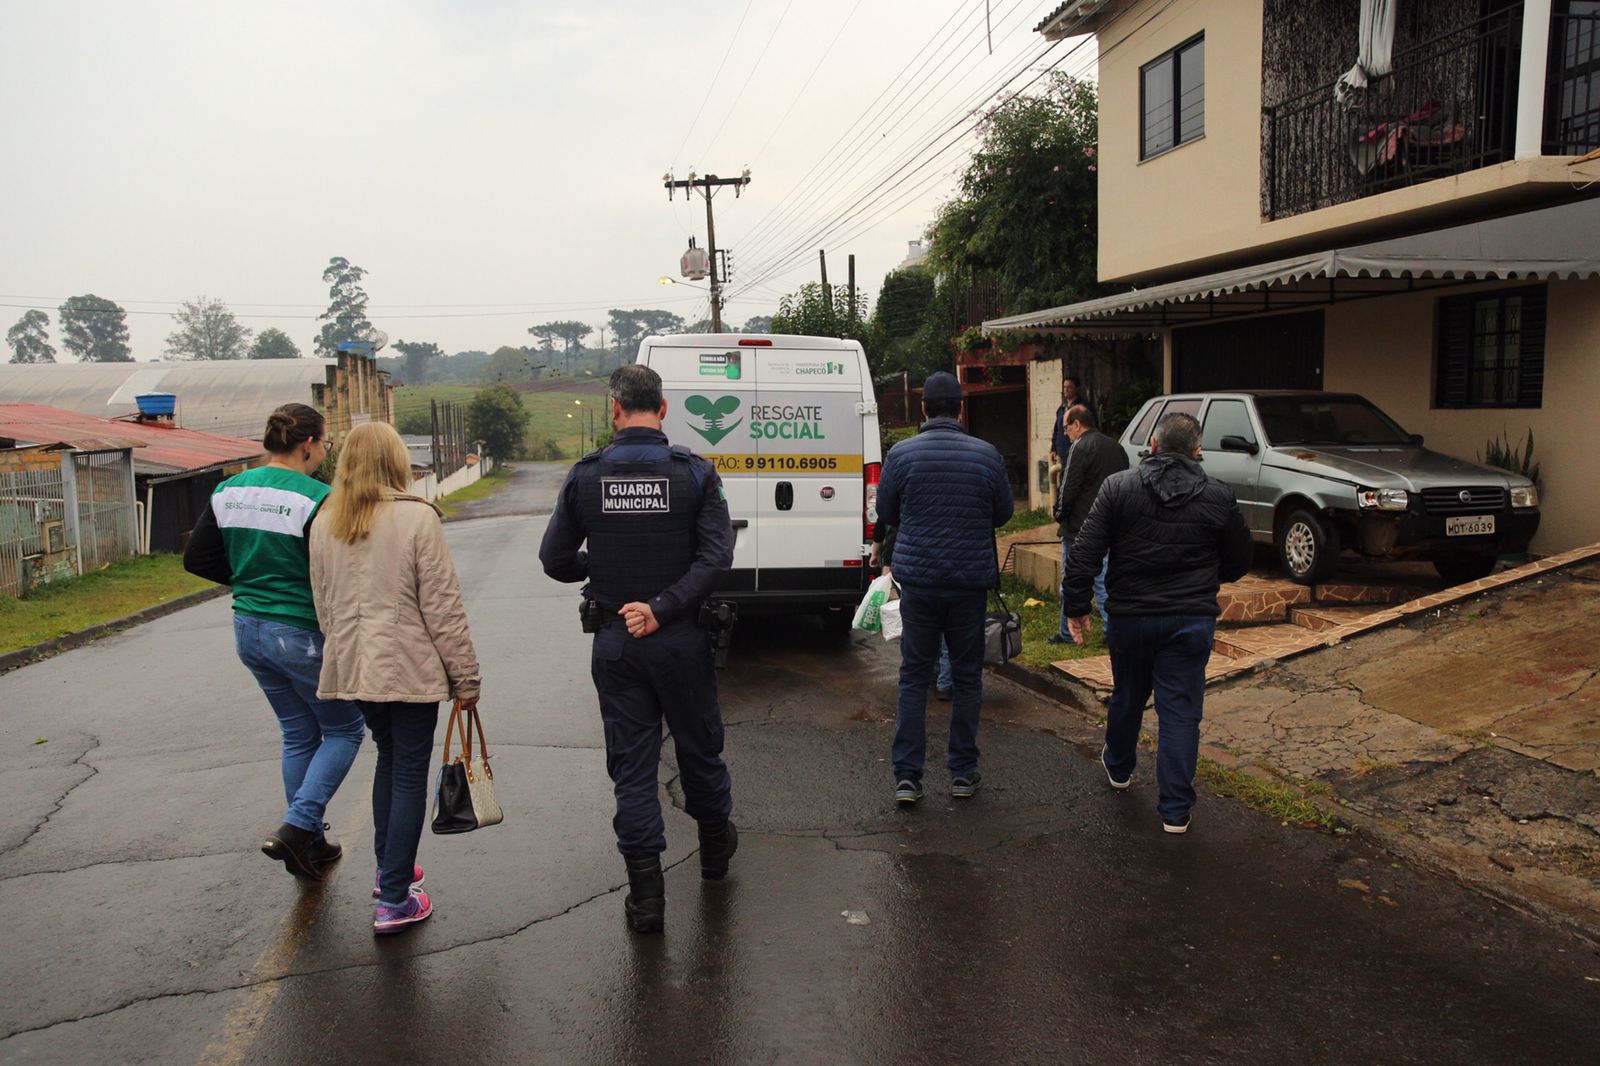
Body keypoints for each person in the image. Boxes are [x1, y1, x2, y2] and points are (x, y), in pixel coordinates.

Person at [538, 363, 737, 935]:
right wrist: (664, 606)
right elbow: (716, 557)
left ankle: (647, 900)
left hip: (617, 641)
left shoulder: (586, 475)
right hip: (682, 640)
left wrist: (596, 565)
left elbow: (554, 560)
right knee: (699, 749)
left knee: (632, 767)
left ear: (614, 409)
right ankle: (715, 856)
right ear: (664, 409)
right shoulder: (695, 473)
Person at [309, 421, 481, 934]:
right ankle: (395, 898)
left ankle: (390, 873)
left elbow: (323, 604)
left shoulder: (326, 520)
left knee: (390, 759)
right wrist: (466, 678)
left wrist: (345, 651)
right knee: (407, 772)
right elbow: (443, 607)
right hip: (408, 667)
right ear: (397, 461)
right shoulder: (416, 517)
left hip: (354, 666)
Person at [184, 403, 363, 883]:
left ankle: (311, 843)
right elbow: (337, 572)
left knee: (299, 733)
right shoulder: (319, 498)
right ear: (309, 444)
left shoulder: (229, 489)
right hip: (300, 633)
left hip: (249, 628)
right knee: (345, 729)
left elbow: (196, 558)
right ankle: (299, 826)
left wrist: (250, 581)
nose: (324, 452)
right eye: (325, 443)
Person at [1063, 412, 1252, 834]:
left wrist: (1076, 606)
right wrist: (1205, 576)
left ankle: (1119, 766)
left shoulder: (1118, 487)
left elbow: (1085, 552)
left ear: (1152, 444)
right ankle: (1175, 811)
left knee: (1128, 694)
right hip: (1190, 620)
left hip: (1130, 618)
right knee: (1180, 711)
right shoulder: (1219, 495)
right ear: (1197, 451)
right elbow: (1240, 561)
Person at [876, 371, 1013, 804]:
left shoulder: (901, 455)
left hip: (919, 582)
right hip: (969, 583)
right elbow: (1003, 513)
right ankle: (962, 773)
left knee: (914, 676)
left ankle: (907, 778)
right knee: (967, 677)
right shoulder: (986, 455)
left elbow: (887, 512)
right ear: (960, 408)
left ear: (923, 409)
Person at [1048, 405, 1127, 646]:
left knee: (1072, 580)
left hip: (1080, 528)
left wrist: (1059, 514)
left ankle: (1070, 633)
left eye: (1066, 428)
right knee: (1106, 580)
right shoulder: (1117, 448)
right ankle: (1112, 630)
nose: (1065, 434)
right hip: (1111, 525)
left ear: (1077, 424)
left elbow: (1068, 488)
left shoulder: (1079, 447)